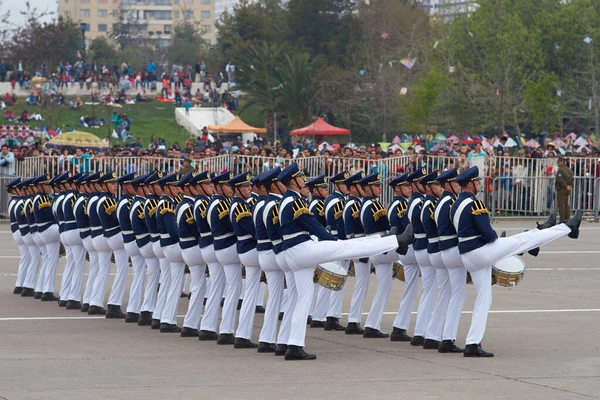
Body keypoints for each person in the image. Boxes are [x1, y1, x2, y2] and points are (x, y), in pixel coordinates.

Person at [277, 163, 413, 360]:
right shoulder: (294, 200)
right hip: (300, 249)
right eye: (300, 178)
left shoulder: (288, 199)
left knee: (301, 300)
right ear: (293, 181)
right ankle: (395, 241)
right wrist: (333, 243)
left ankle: (290, 345)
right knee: (346, 247)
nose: (304, 181)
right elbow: (312, 225)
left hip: (295, 251)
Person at [451, 166, 582, 357]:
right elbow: (489, 234)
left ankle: (473, 344)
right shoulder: (474, 204)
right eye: (477, 181)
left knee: (484, 299)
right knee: (520, 241)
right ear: (470, 184)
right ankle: (567, 228)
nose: (479, 184)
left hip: (467, 256)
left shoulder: (456, 204)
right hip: (479, 252)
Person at [228, 172, 262, 348]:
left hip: (246, 249)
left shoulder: (239, 204)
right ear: (238, 189)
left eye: (250, 186)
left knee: (250, 292)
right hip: (250, 249)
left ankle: (243, 334)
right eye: (246, 187)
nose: (250, 189)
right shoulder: (241, 207)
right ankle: (243, 335)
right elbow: (254, 231)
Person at [117, 173, 146, 323]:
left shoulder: (129, 201)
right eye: (130, 184)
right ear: (124, 186)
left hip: (131, 240)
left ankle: (134, 309)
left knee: (139, 275)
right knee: (140, 275)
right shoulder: (128, 202)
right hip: (133, 240)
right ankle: (134, 309)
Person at [555, 157, 574, 222]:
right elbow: (571, 179)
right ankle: (567, 218)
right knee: (566, 204)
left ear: (561, 162)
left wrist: (565, 186)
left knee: (561, 204)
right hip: (568, 188)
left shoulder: (560, 170)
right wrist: (570, 186)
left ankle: (562, 219)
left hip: (562, 188)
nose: (557, 163)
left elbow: (559, 179)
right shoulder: (569, 170)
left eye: (558, 162)